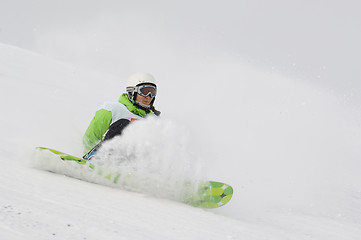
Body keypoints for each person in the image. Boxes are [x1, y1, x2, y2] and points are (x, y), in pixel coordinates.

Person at [82, 72, 161, 159]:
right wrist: (85, 159)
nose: (149, 96)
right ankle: (94, 158)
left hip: (132, 163)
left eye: (152, 92)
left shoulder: (154, 120)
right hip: (104, 156)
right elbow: (91, 136)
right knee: (124, 124)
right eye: (144, 91)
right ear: (132, 91)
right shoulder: (113, 110)